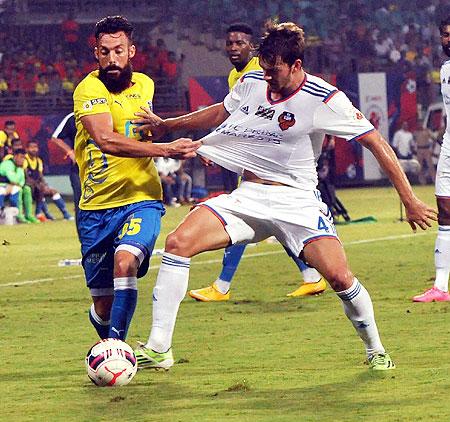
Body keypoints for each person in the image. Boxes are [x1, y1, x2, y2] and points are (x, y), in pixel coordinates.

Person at [133, 21, 436, 371]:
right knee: (178, 242)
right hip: (248, 197)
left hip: (297, 202)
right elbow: (221, 111)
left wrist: (410, 200)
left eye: (274, 69)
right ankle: (159, 348)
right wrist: (168, 126)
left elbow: (375, 142)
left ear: (296, 65)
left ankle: (375, 350)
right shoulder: (252, 82)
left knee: (339, 277)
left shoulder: (325, 100)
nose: (267, 76)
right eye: (263, 67)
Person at [73, 16, 199, 342]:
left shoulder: (146, 84)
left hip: (141, 198)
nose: (111, 59)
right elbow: (106, 139)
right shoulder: (89, 89)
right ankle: (109, 337)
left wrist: (161, 128)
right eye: (104, 52)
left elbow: (140, 127)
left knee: (125, 262)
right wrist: (165, 148)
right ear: (96, 54)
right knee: (103, 304)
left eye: (118, 50)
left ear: (132, 51)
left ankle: (117, 349)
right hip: (96, 208)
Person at [189, 23, 326, 302]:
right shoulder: (236, 75)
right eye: (229, 43)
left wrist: (214, 147)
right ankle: (311, 277)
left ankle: (222, 286)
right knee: (273, 221)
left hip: (270, 163)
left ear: (252, 47)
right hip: (253, 159)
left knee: (242, 217)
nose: (233, 47)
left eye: (239, 43)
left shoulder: (261, 70)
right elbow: (235, 118)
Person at [413, 17, 450, 302]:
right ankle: (440, 287)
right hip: (449, 148)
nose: (448, 39)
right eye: (445, 35)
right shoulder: (445, 70)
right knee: (445, 210)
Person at [48, 112, 81, 236]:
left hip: (105, 168)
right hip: (79, 170)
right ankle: (84, 241)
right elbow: (55, 137)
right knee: (81, 205)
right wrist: (70, 152)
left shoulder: (106, 112)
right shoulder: (73, 117)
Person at [25, 140, 73, 221]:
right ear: (27, 149)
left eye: (35, 147)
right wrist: (38, 185)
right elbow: (26, 176)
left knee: (52, 191)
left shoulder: (38, 160)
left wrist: (44, 185)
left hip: (37, 186)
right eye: (31, 147)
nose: (34, 149)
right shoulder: (25, 159)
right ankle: (40, 213)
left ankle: (66, 214)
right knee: (40, 190)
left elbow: (40, 176)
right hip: (28, 185)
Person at [0, 148, 26, 218]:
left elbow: (22, 182)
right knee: (2, 190)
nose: (22, 159)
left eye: (24, 158)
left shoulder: (19, 167)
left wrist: (15, 184)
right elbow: (13, 179)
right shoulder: (8, 164)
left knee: (17, 189)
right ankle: (1, 209)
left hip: (9, 187)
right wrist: (14, 184)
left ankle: (18, 213)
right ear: (15, 156)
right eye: (21, 157)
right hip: (2, 186)